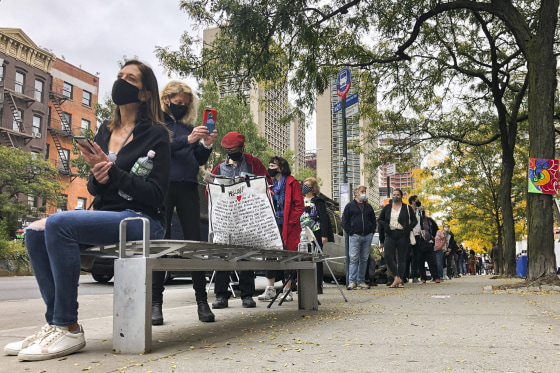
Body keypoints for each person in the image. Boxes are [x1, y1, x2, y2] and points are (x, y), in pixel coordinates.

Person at [4, 60, 170, 361]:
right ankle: (57, 322)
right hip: (109, 215)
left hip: (143, 220)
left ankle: (67, 326)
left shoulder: (156, 134)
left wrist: (113, 172)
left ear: (145, 94)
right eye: (119, 76)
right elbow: (95, 189)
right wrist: (98, 175)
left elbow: (156, 194)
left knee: (59, 223)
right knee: (34, 231)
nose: (121, 82)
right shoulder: (105, 131)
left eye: (130, 78)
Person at [151, 81, 217, 326]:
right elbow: (158, 149)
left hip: (189, 185)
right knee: (161, 242)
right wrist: (187, 139)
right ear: (166, 99)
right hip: (164, 185)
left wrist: (206, 144)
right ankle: (156, 303)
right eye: (178, 102)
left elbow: (197, 157)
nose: (182, 107)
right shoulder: (157, 124)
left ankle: (202, 301)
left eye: (185, 104)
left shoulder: (190, 126)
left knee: (195, 244)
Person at [210, 131, 269, 309]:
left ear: (242, 148)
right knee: (222, 254)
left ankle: (247, 295)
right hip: (225, 216)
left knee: (245, 254)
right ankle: (221, 295)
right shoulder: (219, 167)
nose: (232, 152)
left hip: (247, 215)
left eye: (235, 149)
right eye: (229, 150)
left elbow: (266, 183)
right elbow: (210, 191)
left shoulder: (253, 162)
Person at [258, 156, 304, 301]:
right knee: (270, 254)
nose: (270, 168)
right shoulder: (269, 184)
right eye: (269, 165)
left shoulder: (292, 183)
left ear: (281, 167)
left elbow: (299, 206)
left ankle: (287, 289)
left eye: (272, 165)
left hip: (287, 226)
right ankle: (270, 288)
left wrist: (289, 222)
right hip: (272, 224)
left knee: (287, 255)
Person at [300, 177, 335, 294]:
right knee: (304, 258)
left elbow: (324, 218)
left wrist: (324, 235)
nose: (305, 186)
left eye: (308, 184)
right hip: (302, 233)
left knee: (317, 259)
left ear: (313, 188)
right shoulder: (300, 200)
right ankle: (303, 284)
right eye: (305, 184)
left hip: (316, 232)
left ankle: (318, 285)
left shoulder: (318, 201)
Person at [378, 189, 416, 288]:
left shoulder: (406, 207)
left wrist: (408, 229)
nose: (395, 196)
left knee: (402, 258)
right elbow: (380, 220)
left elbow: (414, 221)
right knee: (387, 256)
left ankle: (399, 281)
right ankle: (397, 277)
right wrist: (386, 226)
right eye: (394, 195)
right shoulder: (387, 207)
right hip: (390, 234)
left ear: (401, 196)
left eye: (398, 195)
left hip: (403, 234)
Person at [342, 185, 377, 290]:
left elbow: (373, 221)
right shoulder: (350, 206)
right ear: (356, 193)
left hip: (367, 236)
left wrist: (372, 232)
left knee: (364, 259)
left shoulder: (368, 207)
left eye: (364, 191)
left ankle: (361, 281)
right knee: (353, 259)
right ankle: (352, 281)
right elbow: (344, 220)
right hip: (355, 236)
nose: (363, 193)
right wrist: (350, 232)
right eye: (362, 191)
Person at [416, 206, 441, 283]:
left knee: (432, 261)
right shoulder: (415, 220)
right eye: (420, 210)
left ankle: (436, 277)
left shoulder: (429, 220)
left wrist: (432, 237)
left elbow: (436, 228)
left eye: (423, 210)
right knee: (420, 262)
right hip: (419, 243)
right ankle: (423, 278)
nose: (422, 211)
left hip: (428, 242)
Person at [405, 195, 423, 284]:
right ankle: (405, 276)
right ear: (412, 201)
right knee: (406, 256)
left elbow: (421, 223)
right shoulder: (406, 210)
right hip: (408, 235)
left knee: (416, 256)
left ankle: (415, 276)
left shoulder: (419, 212)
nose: (418, 202)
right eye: (417, 200)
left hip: (417, 235)